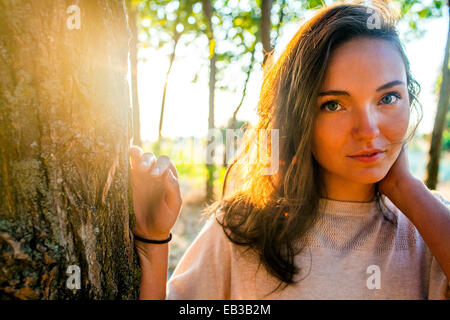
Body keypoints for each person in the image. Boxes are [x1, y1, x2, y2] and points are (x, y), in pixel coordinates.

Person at [130, 1, 450, 300]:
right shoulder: (244, 227)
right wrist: (153, 241)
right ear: (298, 116)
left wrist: (406, 190)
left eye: (388, 97)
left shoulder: (430, 227)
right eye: (334, 104)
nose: (368, 129)